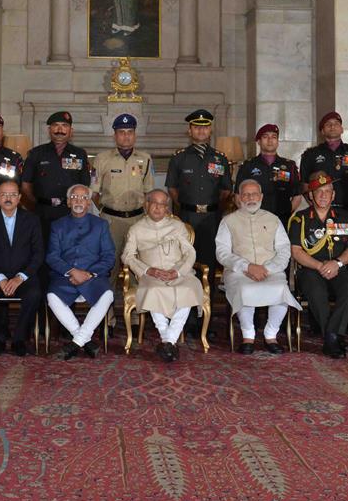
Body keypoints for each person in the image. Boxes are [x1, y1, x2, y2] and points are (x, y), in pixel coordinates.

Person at [216, 179, 300, 354]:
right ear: (238, 197)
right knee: (245, 289)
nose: (250, 198)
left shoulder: (273, 219)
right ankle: (248, 335)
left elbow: (284, 250)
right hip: (239, 272)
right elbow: (222, 253)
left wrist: (268, 268)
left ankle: (271, 334)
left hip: (271, 270)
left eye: (254, 194)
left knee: (280, 289)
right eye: (246, 194)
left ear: (261, 196)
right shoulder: (228, 221)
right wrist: (247, 266)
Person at [123, 189, 206, 362]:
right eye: (154, 203)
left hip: (179, 272)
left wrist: (178, 271)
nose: (158, 208)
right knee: (153, 289)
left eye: (163, 204)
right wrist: (147, 270)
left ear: (167, 207)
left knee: (189, 288)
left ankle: (167, 340)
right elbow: (127, 256)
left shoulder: (177, 226)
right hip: (151, 274)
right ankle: (169, 340)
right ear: (147, 204)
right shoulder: (136, 229)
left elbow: (189, 253)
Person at [287, 173, 348, 358]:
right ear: (310, 195)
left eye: (328, 192)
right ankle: (334, 337)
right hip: (311, 268)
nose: (323, 195)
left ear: (333, 195)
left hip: (338, 267)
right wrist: (320, 266)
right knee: (317, 292)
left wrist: (337, 263)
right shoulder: (300, 219)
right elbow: (296, 251)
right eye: (319, 192)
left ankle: (331, 336)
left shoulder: (344, 216)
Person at [0, 179, 45, 357]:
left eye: (13, 194)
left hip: (23, 277)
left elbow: (38, 254)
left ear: (19, 198)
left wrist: (20, 277)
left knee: (35, 294)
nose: (8, 198)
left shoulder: (32, 220)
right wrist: (0, 278)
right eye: (4, 194)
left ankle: (19, 339)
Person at [46, 184, 117, 359]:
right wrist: (71, 271)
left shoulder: (101, 225)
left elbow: (109, 256)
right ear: (68, 202)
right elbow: (52, 257)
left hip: (93, 277)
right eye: (75, 197)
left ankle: (76, 342)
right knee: (51, 296)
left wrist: (89, 274)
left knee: (107, 295)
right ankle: (84, 340)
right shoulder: (58, 225)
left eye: (84, 198)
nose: (79, 201)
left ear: (89, 203)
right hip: (66, 277)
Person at [165, 108, 234, 274]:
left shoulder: (220, 158)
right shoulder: (179, 157)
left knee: (210, 259)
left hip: (212, 217)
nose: (201, 130)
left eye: (205, 126)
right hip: (188, 216)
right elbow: (172, 189)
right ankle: (189, 299)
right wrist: (185, 206)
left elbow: (226, 190)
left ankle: (207, 299)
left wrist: (214, 206)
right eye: (196, 127)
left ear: (210, 130)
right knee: (185, 259)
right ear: (189, 130)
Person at [90, 112, 155, 262]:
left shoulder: (145, 159)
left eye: (130, 132)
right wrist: (105, 210)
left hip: (138, 220)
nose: (126, 136)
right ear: (114, 135)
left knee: (138, 262)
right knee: (109, 262)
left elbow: (149, 192)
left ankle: (135, 287)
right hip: (111, 221)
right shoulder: (102, 159)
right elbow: (94, 192)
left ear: (135, 135)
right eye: (121, 132)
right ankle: (109, 287)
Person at [21, 111, 91, 241]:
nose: (60, 129)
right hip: (42, 213)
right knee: (42, 250)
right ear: (49, 130)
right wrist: (38, 202)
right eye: (55, 125)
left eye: (64, 125)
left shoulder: (80, 154)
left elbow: (85, 185)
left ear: (71, 130)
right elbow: (25, 185)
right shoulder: (36, 153)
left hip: (70, 213)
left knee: (69, 250)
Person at [300, 111, 348, 214]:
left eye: (336, 124)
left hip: (347, 211)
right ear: (322, 131)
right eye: (328, 124)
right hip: (319, 213)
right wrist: (315, 206)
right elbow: (305, 187)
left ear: (342, 129)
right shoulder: (310, 154)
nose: (332, 126)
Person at [236, 124, 303, 223]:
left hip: (281, 220)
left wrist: (286, 213)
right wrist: (249, 215)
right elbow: (238, 196)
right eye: (265, 137)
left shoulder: (289, 166)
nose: (270, 140)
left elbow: (297, 196)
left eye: (274, 137)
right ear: (258, 141)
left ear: (277, 142)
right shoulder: (248, 166)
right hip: (254, 220)